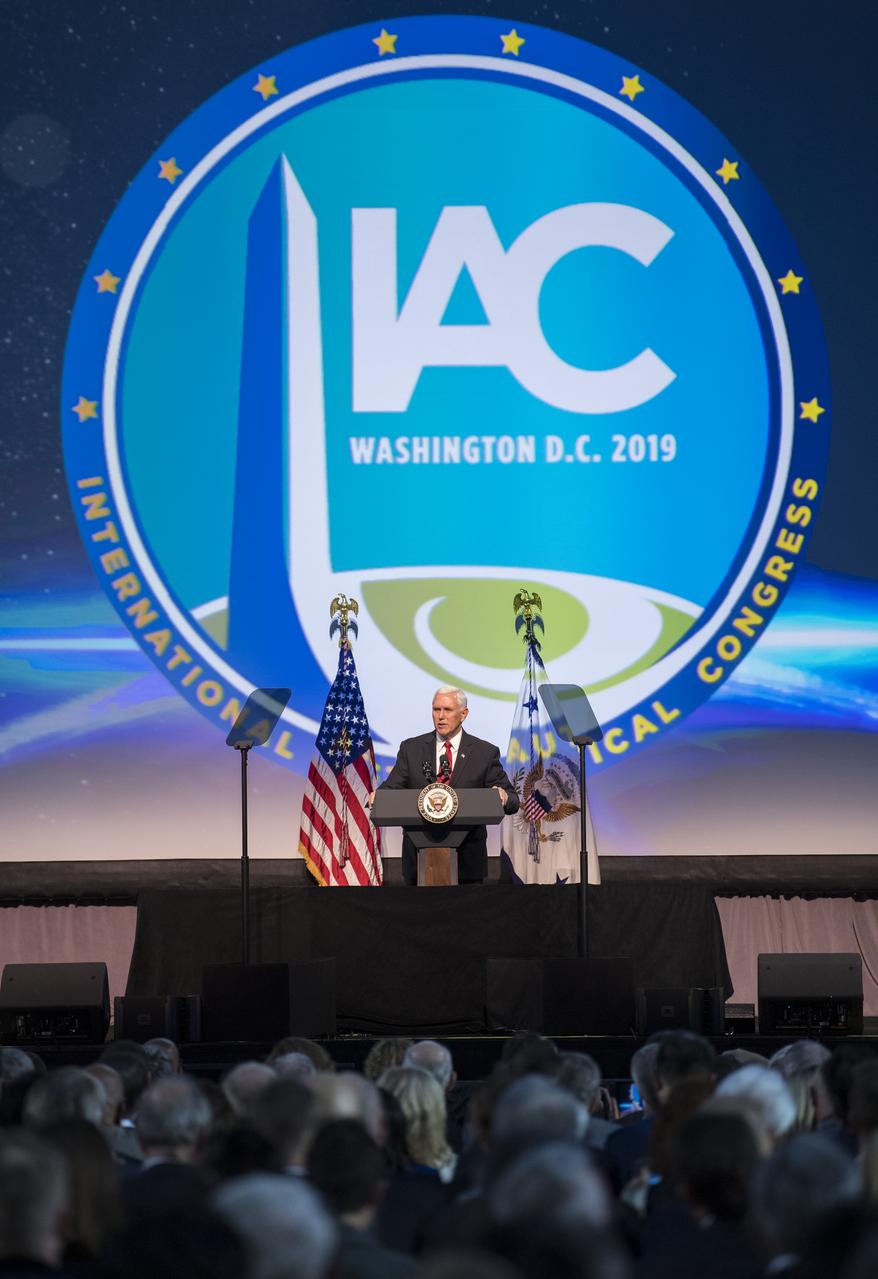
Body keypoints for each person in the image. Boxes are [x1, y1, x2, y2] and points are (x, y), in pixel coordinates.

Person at [376, 686, 519, 885]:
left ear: (463, 714)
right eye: (436, 710)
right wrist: (379, 796)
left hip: (467, 863)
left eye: (447, 710)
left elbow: (513, 801)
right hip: (418, 862)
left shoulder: (484, 752)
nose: (440, 716)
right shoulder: (411, 749)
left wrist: (502, 796)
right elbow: (391, 787)